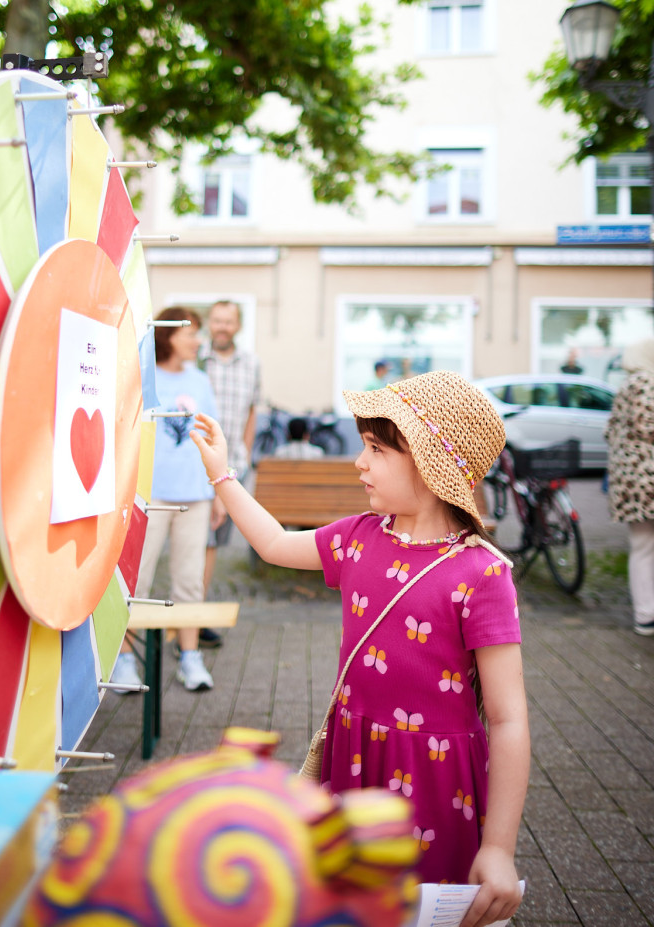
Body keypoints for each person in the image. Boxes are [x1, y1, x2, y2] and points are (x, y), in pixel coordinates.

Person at [191, 370, 529, 926]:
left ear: (427, 460)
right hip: (353, 755)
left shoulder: (483, 573)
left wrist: (498, 846)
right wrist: (222, 474)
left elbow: (508, 717)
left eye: (376, 448)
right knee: (348, 903)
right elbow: (274, 543)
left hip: (436, 781)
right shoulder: (356, 538)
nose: (359, 461)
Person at [112, 306, 217, 692]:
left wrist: (218, 492)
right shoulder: (144, 376)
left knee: (189, 582)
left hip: (196, 495)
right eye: (191, 333)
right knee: (137, 580)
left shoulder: (201, 381)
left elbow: (211, 436)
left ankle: (190, 657)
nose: (197, 341)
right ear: (168, 336)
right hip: (148, 495)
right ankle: (123, 660)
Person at [198, 299, 262, 647]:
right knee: (194, 538)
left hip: (232, 464)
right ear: (210, 323)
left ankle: (195, 614)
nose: (222, 326)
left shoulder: (252, 364)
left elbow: (252, 410)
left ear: (237, 326)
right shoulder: (196, 360)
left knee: (213, 541)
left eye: (229, 321)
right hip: (193, 464)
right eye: (217, 320)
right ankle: (182, 615)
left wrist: (246, 453)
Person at [605, 338, 654, 636]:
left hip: (630, 485)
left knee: (642, 546)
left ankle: (645, 613)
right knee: (645, 548)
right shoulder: (647, 383)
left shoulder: (626, 385)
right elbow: (648, 426)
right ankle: (647, 613)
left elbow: (609, 430)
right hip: (648, 480)